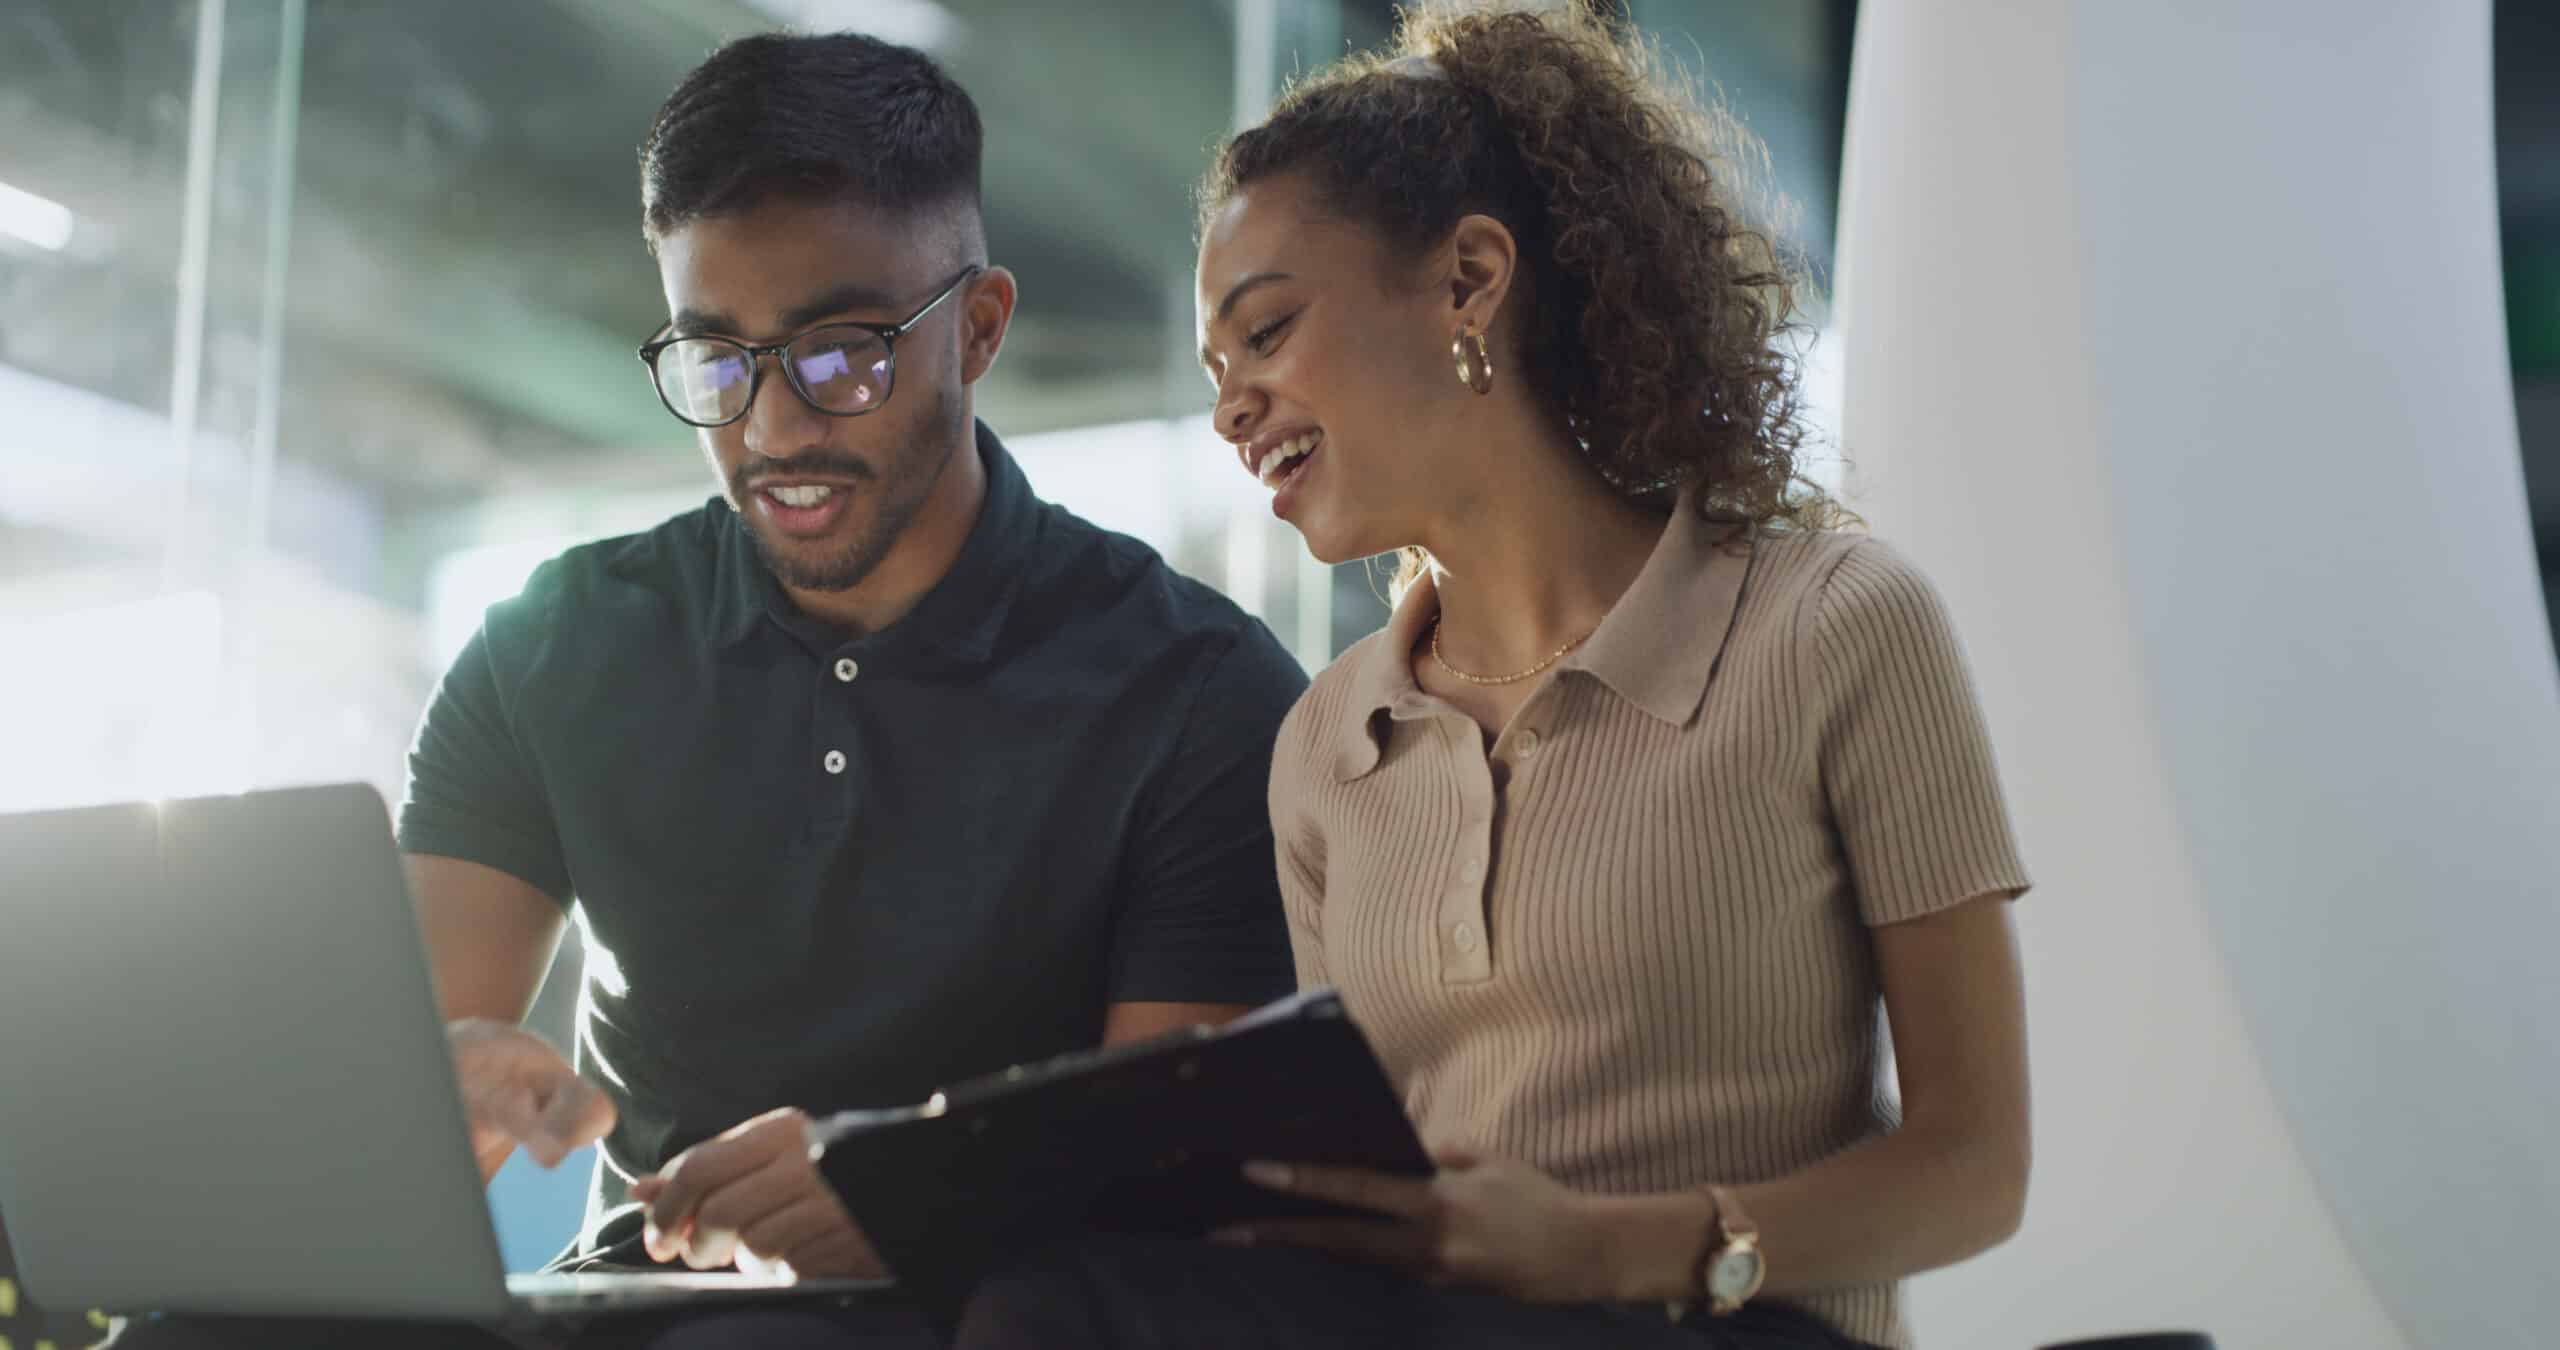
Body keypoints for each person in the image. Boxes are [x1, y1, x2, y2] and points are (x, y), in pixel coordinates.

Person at [115, 29, 1306, 1350]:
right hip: (625, 1300)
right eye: (718, 360)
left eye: (842, 353)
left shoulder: (1194, 684)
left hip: (969, 1301)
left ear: (977, 327)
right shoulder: (556, 641)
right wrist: (424, 1088)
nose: (775, 429)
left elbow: (1181, 1160)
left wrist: (920, 1189)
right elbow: (407, 1074)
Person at [954, 6, 2031, 1350]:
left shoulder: (1836, 624)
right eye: (1219, 369)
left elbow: (1977, 1165)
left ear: (1470, 278)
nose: (1231, 405)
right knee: (1041, 1308)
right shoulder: (1327, 744)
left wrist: (1613, 1250)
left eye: (1270, 331)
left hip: (1731, 1327)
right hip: (1439, 1329)